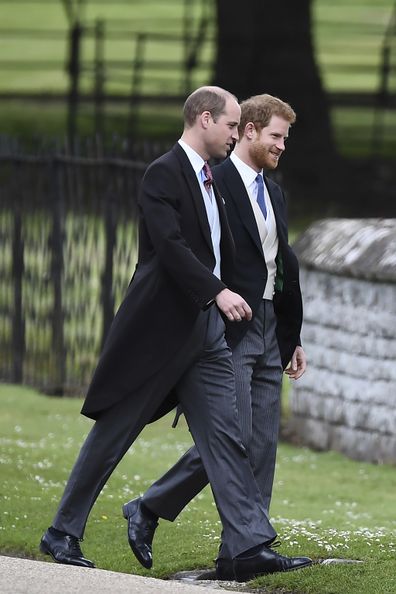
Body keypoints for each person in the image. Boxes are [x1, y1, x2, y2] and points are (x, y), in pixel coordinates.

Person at [39, 86, 311, 583]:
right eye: (230, 125)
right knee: (115, 432)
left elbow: (233, 251)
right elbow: (169, 245)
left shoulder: (212, 178)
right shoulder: (162, 173)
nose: (235, 133)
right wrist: (218, 292)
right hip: (163, 330)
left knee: (230, 436)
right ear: (203, 120)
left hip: (208, 335)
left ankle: (248, 545)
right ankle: (62, 531)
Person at [121, 94, 307, 580]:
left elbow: (281, 266)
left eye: (285, 138)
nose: (282, 146)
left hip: (270, 327)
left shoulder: (276, 192)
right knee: (231, 438)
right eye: (276, 136)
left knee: (262, 442)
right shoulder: (216, 181)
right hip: (229, 329)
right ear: (248, 130)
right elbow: (196, 254)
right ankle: (150, 506)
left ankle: (243, 552)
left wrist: (293, 335)